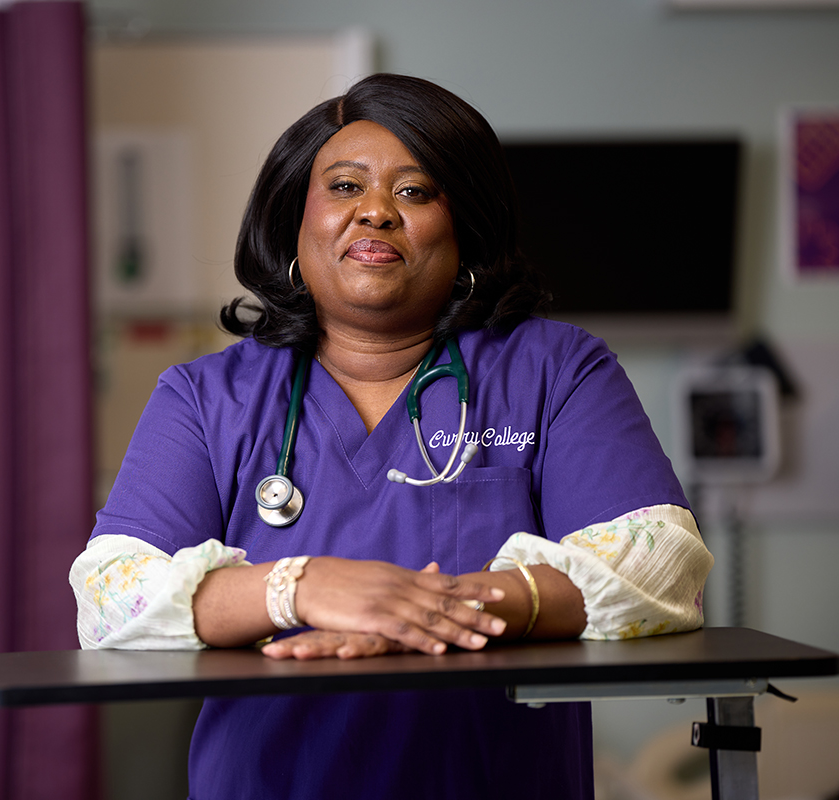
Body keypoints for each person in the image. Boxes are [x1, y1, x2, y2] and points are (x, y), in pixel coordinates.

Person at [70, 73, 713, 799]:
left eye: (415, 192)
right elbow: (108, 598)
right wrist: (300, 588)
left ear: (464, 226)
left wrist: (426, 613)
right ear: (295, 223)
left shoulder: (555, 371)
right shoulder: (206, 398)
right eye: (345, 187)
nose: (375, 212)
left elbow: (660, 565)